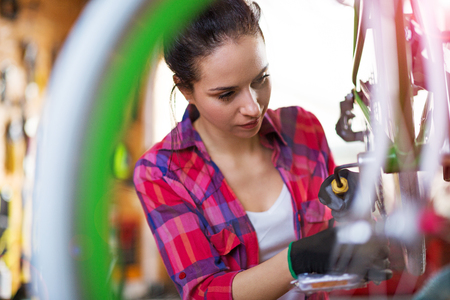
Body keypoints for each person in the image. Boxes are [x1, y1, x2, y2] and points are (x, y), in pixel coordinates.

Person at [133, 0, 391, 299]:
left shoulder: (302, 128)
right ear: (186, 89)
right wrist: (298, 260)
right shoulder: (162, 173)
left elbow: (338, 243)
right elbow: (204, 292)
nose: (253, 108)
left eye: (261, 79)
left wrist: (354, 219)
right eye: (227, 94)